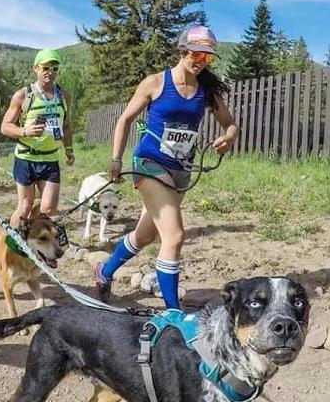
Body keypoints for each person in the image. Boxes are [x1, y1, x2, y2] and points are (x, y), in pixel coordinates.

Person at [93, 25, 239, 308]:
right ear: (183, 51)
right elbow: (124, 120)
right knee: (174, 235)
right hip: (149, 163)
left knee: (145, 234)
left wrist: (229, 137)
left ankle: (104, 270)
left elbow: (230, 123)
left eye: (208, 58)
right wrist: (115, 159)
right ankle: (173, 313)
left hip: (181, 170)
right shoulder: (156, 83)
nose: (201, 61)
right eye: (197, 54)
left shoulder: (206, 91)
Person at [1, 49, 74, 225]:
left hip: (50, 158)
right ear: (36, 68)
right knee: (25, 206)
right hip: (26, 157)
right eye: (46, 67)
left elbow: (67, 125)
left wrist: (69, 148)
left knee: (48, 208)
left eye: (55, 68)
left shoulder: (63, 95)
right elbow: (5, 126)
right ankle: (11, 240)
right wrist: (25, 131)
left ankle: (26, 229)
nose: (50, 72)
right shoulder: (23, 95)